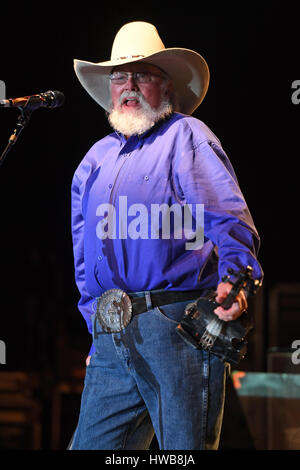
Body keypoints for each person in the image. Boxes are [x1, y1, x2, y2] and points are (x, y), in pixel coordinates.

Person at [69, 21, 263, 450]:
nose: (130, 85)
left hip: (176, 326)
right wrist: (94, 331)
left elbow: (229, 218)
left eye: (144, 75)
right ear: (109, 87)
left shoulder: (186, 137)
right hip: (111, 332)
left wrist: (236, 278)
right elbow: (85, 258)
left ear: (167, 86)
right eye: (120, 76)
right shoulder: (94, 161)